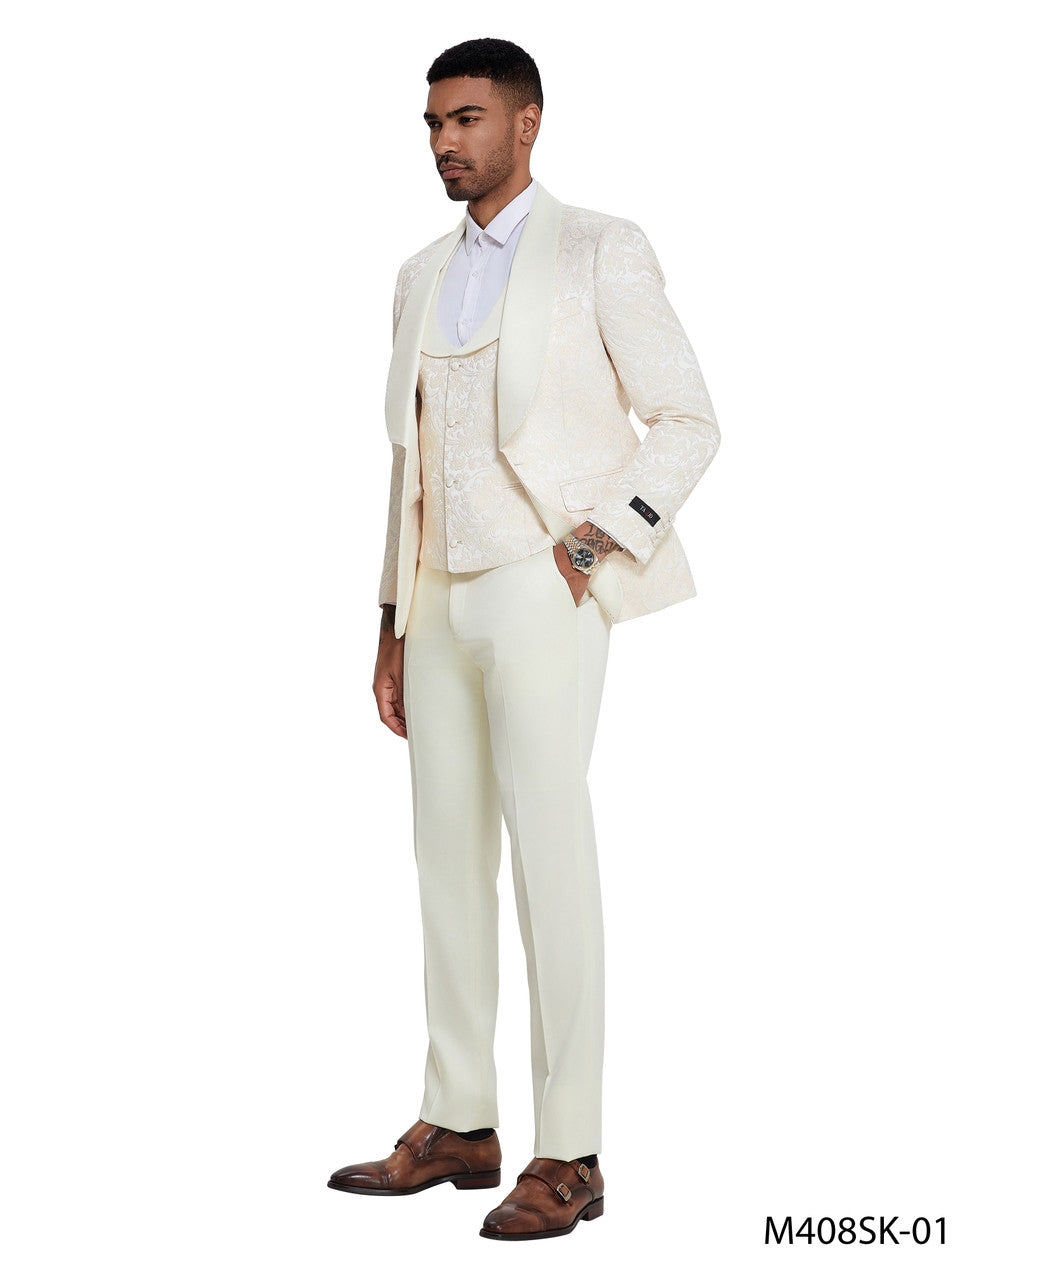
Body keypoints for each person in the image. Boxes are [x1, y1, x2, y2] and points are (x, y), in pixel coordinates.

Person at [327, 37, 720, 1241]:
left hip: (544, 582)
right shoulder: (416, 274)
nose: (445, 141)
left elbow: (688, 419)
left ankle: (571, 1148)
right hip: (436, 594)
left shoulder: (600, 248)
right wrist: (390, 618)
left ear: (526, 123)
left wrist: (595, 543)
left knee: (551, 853)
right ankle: (459, 1118)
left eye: (467, 118)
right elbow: (407, 460)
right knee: (444, 857)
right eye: (433, 122)